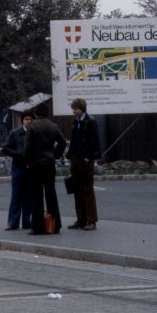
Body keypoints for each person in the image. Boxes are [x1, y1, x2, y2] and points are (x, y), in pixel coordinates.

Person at [24, 103, 66, 235]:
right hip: (49, 163)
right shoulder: (53, 125)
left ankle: (38, 227)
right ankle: (55, 225)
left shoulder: (33, 126)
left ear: (36, 114)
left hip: (35, 164)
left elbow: (28, 147)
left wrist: (27, 161)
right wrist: (56, 154)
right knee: (51, 193)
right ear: (47, 113)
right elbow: (63, 142)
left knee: (37, 196)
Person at [66, 98, 100, 231]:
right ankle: (81, 219)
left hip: (85, 160)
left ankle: (91, 221)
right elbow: (74, 140)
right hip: (75, 159)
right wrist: (70, 157)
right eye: (73, 109)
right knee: (77, 190)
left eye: (76, 109)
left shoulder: (90, 121)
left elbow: (94, 141)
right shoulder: (76, 122)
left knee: (88, 190)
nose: (74, 111)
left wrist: (89, 157)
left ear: (82, 109)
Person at [0, 112, 33, 231]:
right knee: (16, 195)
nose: (28, 121)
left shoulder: (34, 133)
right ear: (22, 121)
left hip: (31, 168)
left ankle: (27, 221)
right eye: (26, 119)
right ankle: (13, 222)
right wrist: (17, 154)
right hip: (18, 167)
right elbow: (5, 148)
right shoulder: (15, 133)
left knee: (29, 196)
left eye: (30, 119)